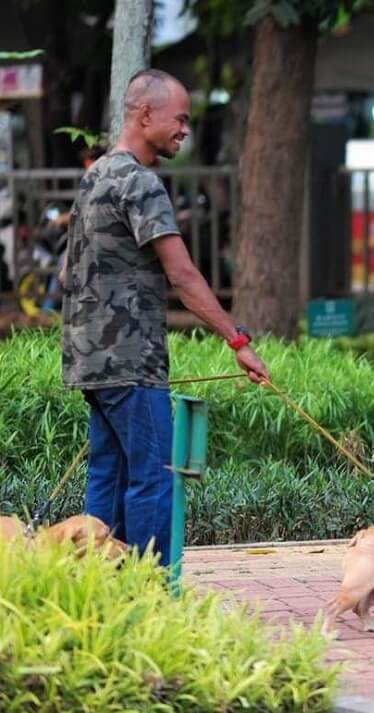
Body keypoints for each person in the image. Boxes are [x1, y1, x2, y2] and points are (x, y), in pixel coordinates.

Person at [61, 69, 269, 567]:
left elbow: (71, 267)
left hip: (90, 359)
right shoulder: (139, 182)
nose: (184, 129)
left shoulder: (96, 175)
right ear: (145, 114)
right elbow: (183, 274)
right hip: (133, 362)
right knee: (153, 477)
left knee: (107, 479)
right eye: (179, 118)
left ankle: (94, 590)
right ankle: (151, 591)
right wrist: (237, 342)